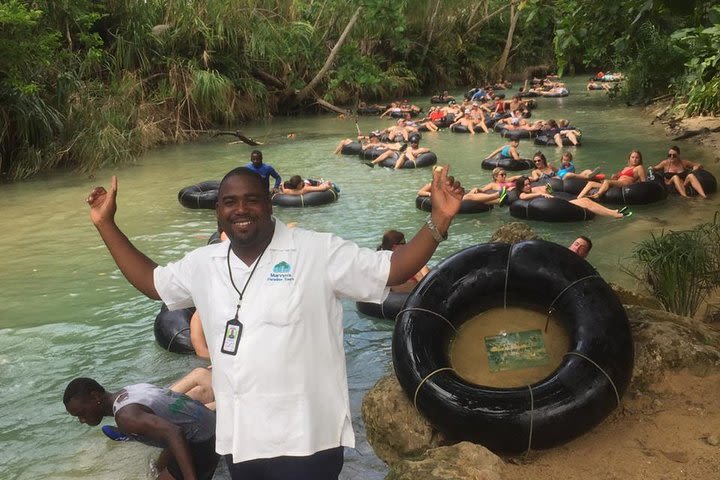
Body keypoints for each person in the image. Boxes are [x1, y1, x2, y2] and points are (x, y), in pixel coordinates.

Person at [85, 165, 464, 479]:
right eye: (229, 202)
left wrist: (437, 222)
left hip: (307, 440)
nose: (241, 209)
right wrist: (106, 225)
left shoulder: (316, 251)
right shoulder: (204, 264)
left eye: (252, 199)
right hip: (242, 441)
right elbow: (152, 282)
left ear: (269, 204)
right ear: (217, 210)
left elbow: (392, 268)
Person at [64, 377, 219, 480]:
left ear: (95, 397)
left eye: (81, 413)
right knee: (159, 467)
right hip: (211, 423)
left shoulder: (125, 417)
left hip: (205, 441)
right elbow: (173, 428)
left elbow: (175, 433)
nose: (82, 420)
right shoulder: (129, 391)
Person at [514, 177, 631, 218]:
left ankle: (612, 212)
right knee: (585, 201)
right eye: (525, 185)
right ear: (520, 187)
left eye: (528, 183)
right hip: (558, 206)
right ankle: (614, 214)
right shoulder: (523, 194)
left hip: (560, 202)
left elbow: (546, 189)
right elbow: (523, 197)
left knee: (585, 200)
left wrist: (545, 189)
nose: (528, 185)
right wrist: (540, 194)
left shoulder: (532, 189)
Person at [577, 150, 646, 199]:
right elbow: (618, 178)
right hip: (617, 184)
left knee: (607, 181)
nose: (634, 159)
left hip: (625, 185)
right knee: (591, 183)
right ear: (629, 159)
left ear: (640, 159)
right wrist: (615, 177)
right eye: (633, 157)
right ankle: (578, 198)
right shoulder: (626, 168)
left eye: (637, 158)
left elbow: (644, 182)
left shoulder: (639, 168)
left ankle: (597, 195)